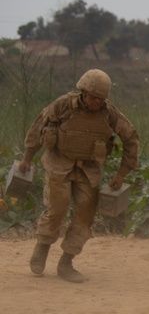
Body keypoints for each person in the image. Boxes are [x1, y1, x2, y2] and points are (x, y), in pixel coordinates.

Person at [19, 69, 140, 282]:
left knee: (85, 216)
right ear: (82, 92)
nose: (96, 102)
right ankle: (43, 246)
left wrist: (122, 174)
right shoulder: (63, 105)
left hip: (89, 169)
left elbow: (131, 137)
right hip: (59, 163)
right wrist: (27, 158)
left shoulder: (109, 113)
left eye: (100, 98)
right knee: (58, 208)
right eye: (92, 97)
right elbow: (37, 128)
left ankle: (67, 262)